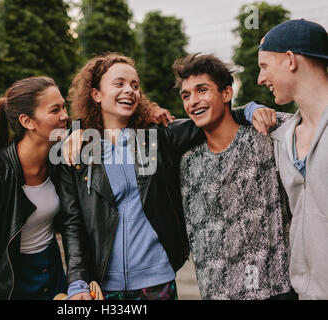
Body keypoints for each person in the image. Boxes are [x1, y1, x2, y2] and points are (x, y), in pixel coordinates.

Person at [59, 53, 248, 300]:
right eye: (119, 84)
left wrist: (251, 110)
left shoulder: (158, 138)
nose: (129, 90)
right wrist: (77, 283)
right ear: (96, 94)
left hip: (158, 283)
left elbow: (213, 116)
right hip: (102, 287)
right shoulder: (77, 151)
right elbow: (73, 224)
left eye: (135, 85)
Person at [175, 53, 296, 300]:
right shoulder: (186, 162)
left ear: (227, 93)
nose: (193, 101)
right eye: (186, 95)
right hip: (218, 294)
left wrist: (253, 108)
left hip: (276, 290)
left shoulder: (268, 134)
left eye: (202, 90)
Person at [0, 76, 69, 300]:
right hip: (13, 283)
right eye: (55, 110)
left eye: (64, 107)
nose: (65, 116)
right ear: (27, 121)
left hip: (53, 274)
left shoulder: (60, 161)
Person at [246, 19, 328, 300]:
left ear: (290, 59)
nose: (260, 79)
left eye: (264, 66)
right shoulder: (283, 138)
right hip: (305, 293)